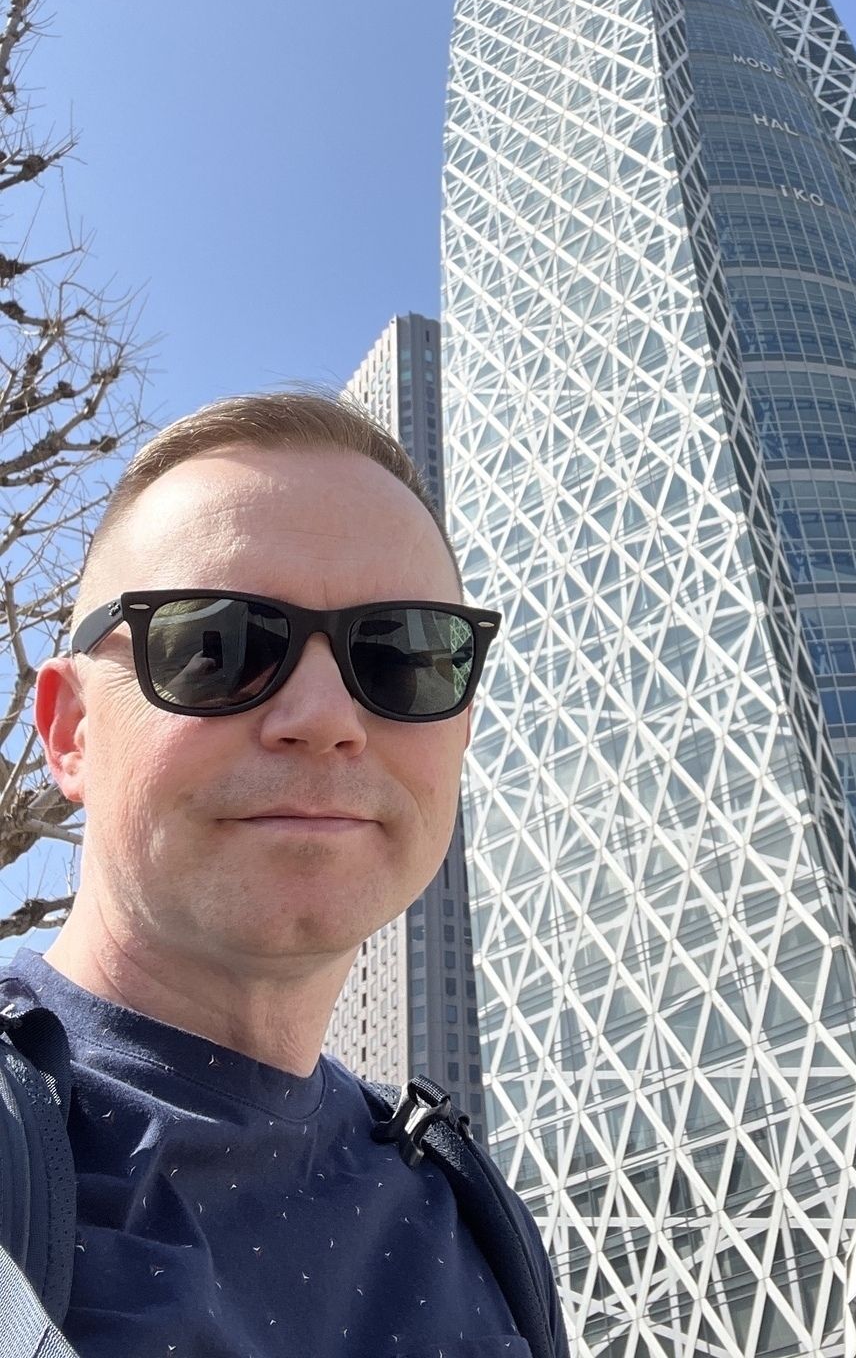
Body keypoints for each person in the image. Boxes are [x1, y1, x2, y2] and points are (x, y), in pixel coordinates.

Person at [0, 392, 566, 1358]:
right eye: (217, 645)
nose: (325, 714)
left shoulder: (477, 1218)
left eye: (403, 656)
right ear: (69, 731)